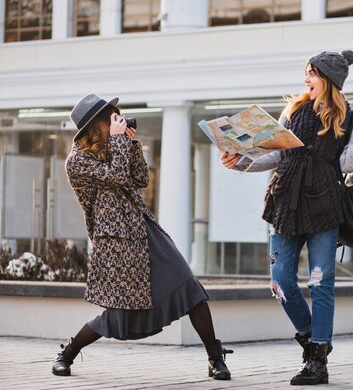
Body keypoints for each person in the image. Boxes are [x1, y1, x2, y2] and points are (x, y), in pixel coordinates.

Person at [220, 50, 353, 385]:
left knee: (321, 284)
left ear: (329, 80)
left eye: (312, 74)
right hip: (283, 204)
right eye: (306, 72)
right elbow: (276, 155)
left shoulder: (351, 117)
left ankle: (317, 361)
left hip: (323, 207)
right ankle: (311, 339)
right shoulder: (293, 110)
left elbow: (350, 163)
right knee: (280, 282)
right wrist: (241, 162)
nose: (306, 79)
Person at [52, 93, 232, 380]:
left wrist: (131, 143)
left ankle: (215, 357)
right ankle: (68, 353)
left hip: (144, 230)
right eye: (112, 118)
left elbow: (139, 178)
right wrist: (121, 141)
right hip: (116, 240)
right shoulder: (77, 162)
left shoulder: (116, 145)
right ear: (97, 125)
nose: (118, 121)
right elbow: (117, 177)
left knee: (190, 288)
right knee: (118, 315)